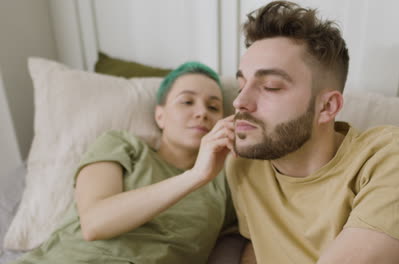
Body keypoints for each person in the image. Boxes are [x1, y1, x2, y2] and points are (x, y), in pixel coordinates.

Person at [224, 1, 399, 263]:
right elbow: (258, 248)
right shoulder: (243, 165)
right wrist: (196, 175)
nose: (240, 102)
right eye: (241, 85)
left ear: (327, 107)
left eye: (271, 86)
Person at [10, 61, 238, 264]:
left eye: (213, 107)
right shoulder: (122, 145)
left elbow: (262, 230)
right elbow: (95, 223)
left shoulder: (225, 183)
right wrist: (195, 176)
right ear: (160, 116)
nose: (201, 113)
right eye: (187, 101)